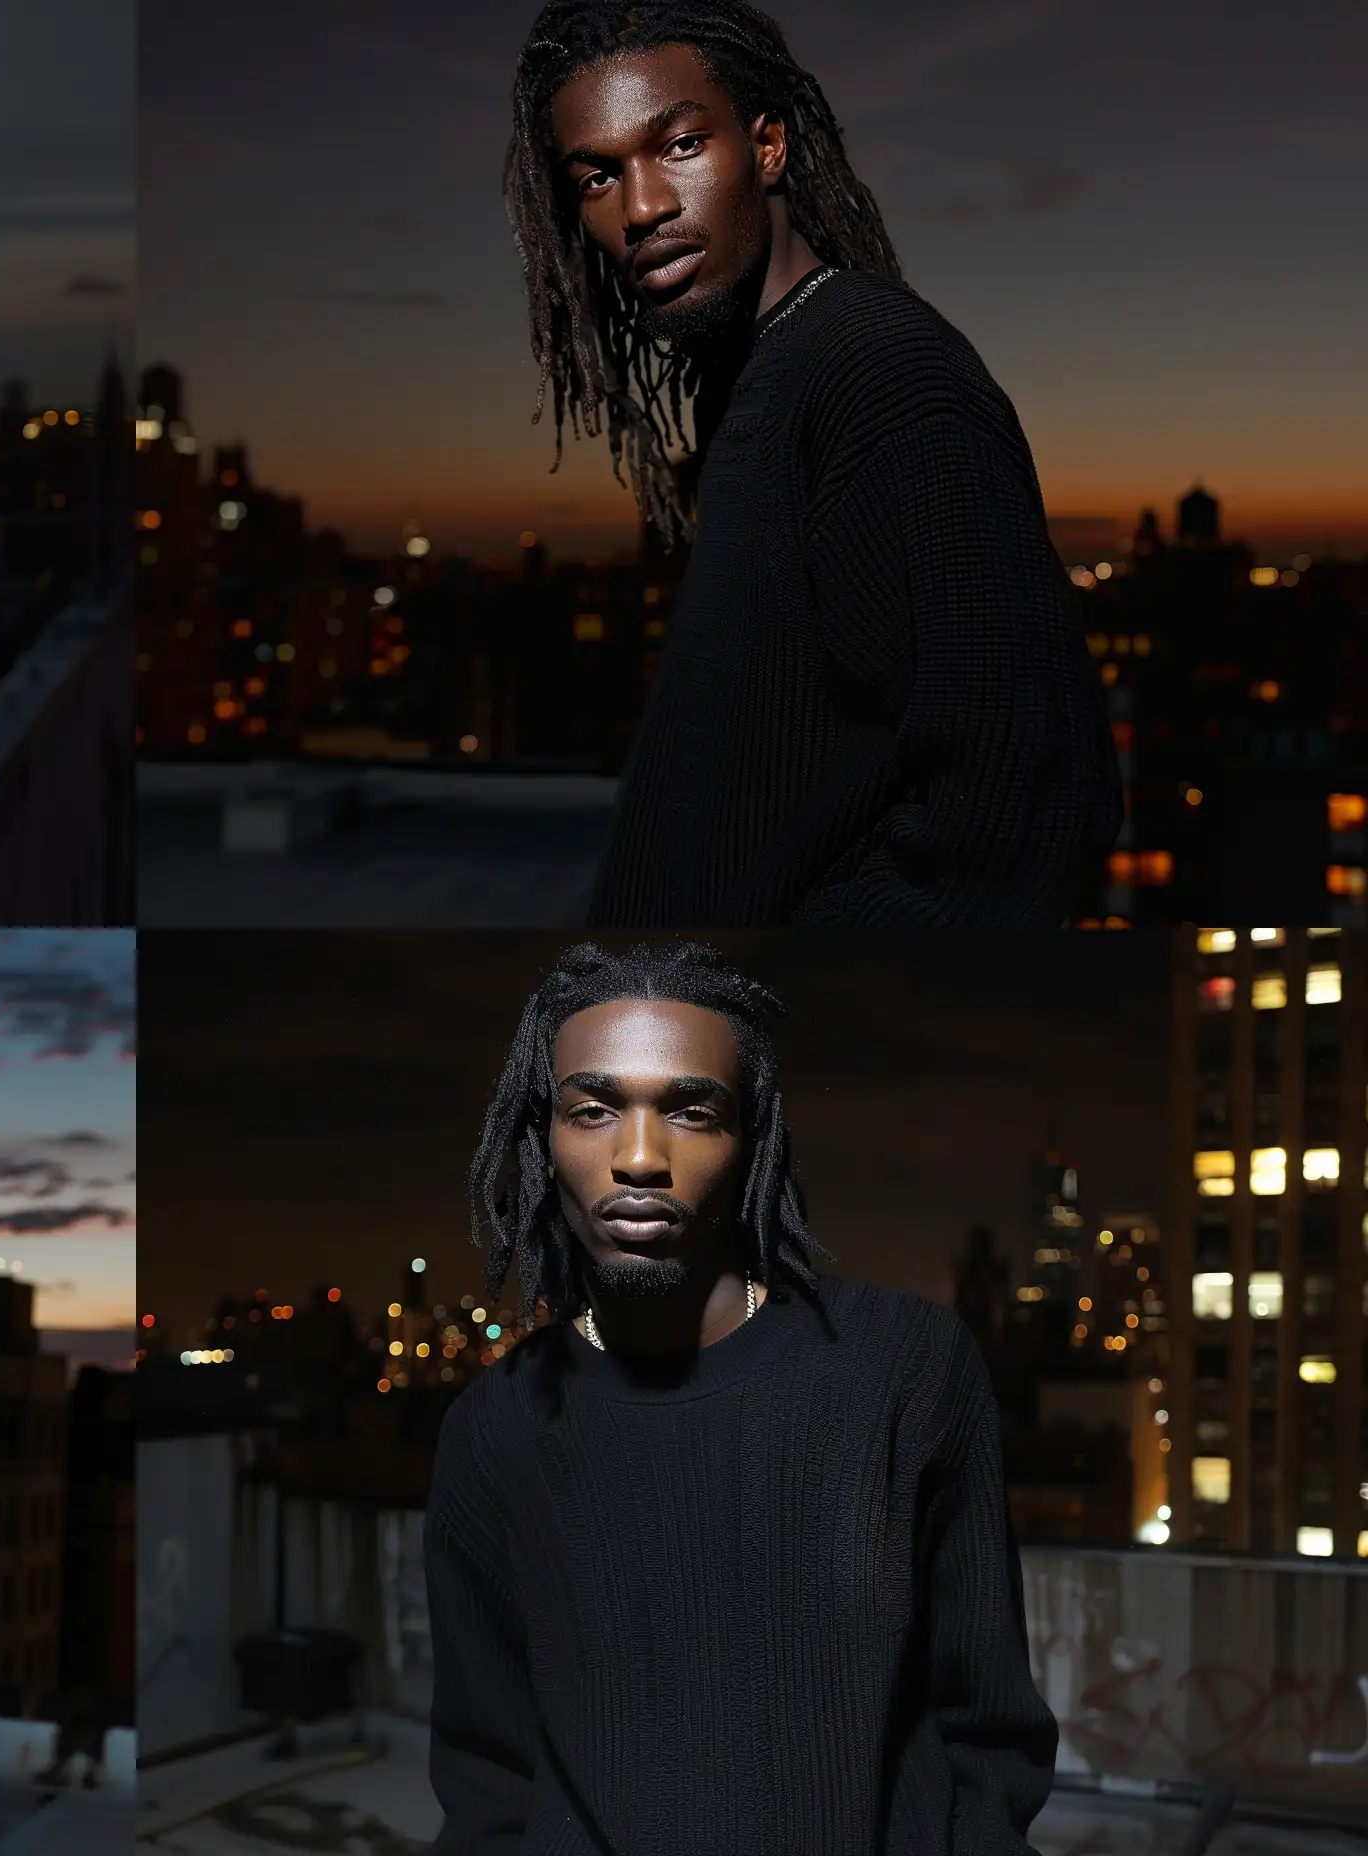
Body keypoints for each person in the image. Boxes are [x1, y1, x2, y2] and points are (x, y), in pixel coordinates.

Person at [430, 941, 1056, 1853]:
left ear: (751, 1139)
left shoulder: (905, 1367)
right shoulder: (494, 1429)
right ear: (542, 1140)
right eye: (594, 1109)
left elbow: (989, 1732)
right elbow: (486, 1780)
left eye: (691, 1111)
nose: (639, 1156)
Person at [504, 0, 1120, 925]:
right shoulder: (759, 378)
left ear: (768, 147)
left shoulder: (879, 374)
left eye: (677, 146)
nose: (640, 208)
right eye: (597, 176)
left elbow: (1027, 809)